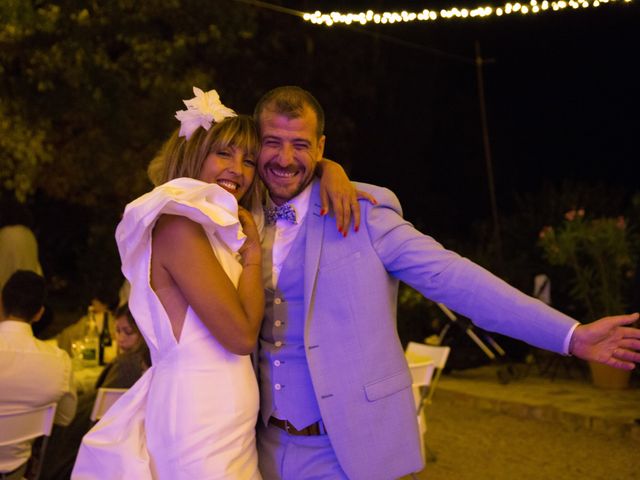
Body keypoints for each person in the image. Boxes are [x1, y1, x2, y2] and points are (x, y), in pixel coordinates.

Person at [252, 86, 640, 480]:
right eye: (273, 142)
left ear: (320, 147)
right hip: (260, 448)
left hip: (348, 453)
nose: (285, 159)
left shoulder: (364, 213)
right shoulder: (237, 212)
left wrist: (570, 336)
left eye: (300, 144)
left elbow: (457, 280)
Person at [72, 87, 356, 480]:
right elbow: (240, 337)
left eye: (248, 160)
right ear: (195, 154)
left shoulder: (217, 227)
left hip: (229, 421)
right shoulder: (178, 227)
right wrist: (254, 257)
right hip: (195, 418)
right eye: (224, 154)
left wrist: (331, 169)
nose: (237, 170)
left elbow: (294, 168)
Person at [0, 270, 77, 479]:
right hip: (17, 472)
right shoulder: (58, 361)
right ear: (39, 313)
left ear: (1, 304)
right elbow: (63, 418)